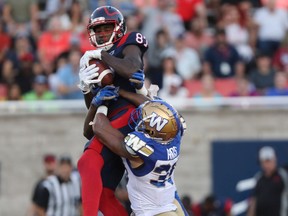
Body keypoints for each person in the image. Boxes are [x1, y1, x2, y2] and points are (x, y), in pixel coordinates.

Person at [76, 5, 148, 216]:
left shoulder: (130, 41)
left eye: (107, 27)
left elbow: (132, 68)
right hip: (111, 119)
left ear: (119, 27)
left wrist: (103, 56)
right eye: (98, 30)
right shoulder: (92, 59)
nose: (102, 33)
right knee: (104, 194)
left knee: (87, 160)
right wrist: (86, 88)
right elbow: (93, 107)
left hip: (131, 115)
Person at [85, 85, 188, 216]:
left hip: (153, 212)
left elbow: (99, 128)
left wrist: (101, 105)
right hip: (170, 201)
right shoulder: (174, 135)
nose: (141, 120)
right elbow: (151, 105)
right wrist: (122, 91)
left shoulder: (141, 149)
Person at [247, 146, 288, 216]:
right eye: (263, 162)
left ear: (274, 160)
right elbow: (254, 201)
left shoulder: (283, 175)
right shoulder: (258, 178)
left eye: (268, 161)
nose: (266, 165)